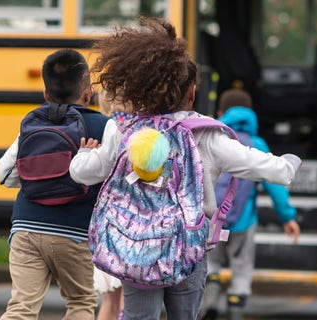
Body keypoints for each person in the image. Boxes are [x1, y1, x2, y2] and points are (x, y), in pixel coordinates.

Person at [69, 18, 301, 320]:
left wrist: (81, 157)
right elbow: (264, 166)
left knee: (139, 315)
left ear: (140, 88)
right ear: (192, 92)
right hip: (189, 247)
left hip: (135, 246)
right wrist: (290, 164)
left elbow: (85, 173)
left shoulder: (122, 128)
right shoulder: (207, 135)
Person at [0, 49, 109, 320]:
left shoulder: (32, 122)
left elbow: (3, 174)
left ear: (46, 94)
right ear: (88, 92)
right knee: (81, 301)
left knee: (21, 306)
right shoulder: (105, 126)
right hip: (75, 231)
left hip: (25, 227)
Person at [198, 89, 301, 320]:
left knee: (210, 260)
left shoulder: (214, 140)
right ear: (251, 114)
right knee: (242, 266)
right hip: (244, 219)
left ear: (221, 113)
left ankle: (211, 290)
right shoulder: (257, 144)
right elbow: (276, 187)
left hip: (212, 220)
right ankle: (236, 304)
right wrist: (288, 217)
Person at [92, 89, 130, 320]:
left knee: (109, 299)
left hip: (105, 224)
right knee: (131, 297)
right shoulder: (136, 130)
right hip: (131, 223)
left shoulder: (100, 130)